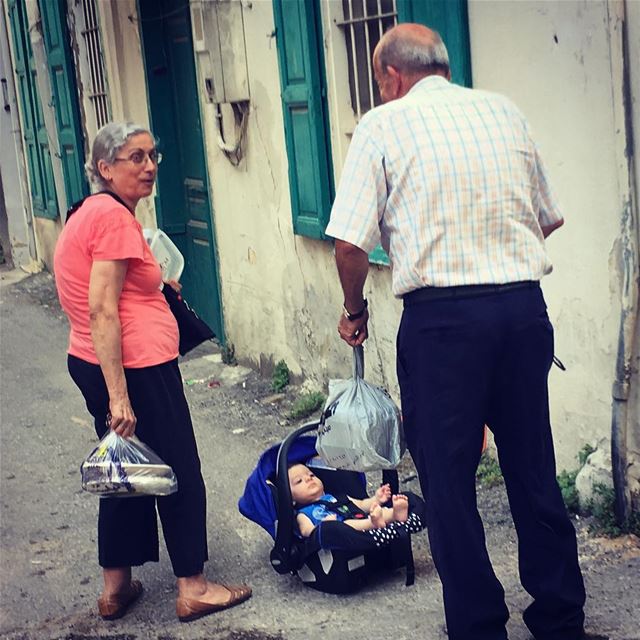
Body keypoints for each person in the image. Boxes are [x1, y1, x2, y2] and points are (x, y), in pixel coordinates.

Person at [325, 23, 586, 640]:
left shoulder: (382, 125)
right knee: (532, 467)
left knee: (447, 480)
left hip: (443, 324)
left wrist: (355, 309)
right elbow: (545, 219)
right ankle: (559, 615)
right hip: (522, 312)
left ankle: (477, 624)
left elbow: (348, 244)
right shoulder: (504, 112)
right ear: (442, 65)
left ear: (390, 76)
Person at [54, 122, 251, 623]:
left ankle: (115, 586)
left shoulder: (88, 213)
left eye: (152, 155)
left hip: (93, 360)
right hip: (133, 367)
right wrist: (121, 397)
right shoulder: (115, 220)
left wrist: (156, 287)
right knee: (178, 468)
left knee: (127, 468)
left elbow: (107, 294)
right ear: (105, 168)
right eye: (135, 158)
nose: (149, 166)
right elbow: (102, 309)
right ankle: (194, 586)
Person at [288, 463, 409, 537]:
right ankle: (374, 523)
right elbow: (306, 532)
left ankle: (395, 514)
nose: (309, 479)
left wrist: (376, 499)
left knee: (380, 511)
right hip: (339, 534)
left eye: (311, 475)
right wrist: (324, 527)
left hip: (359, 522)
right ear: (290, 497)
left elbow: (361, 504)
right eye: (299, 481)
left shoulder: (336, 497)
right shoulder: (303, 514)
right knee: (344, 525)